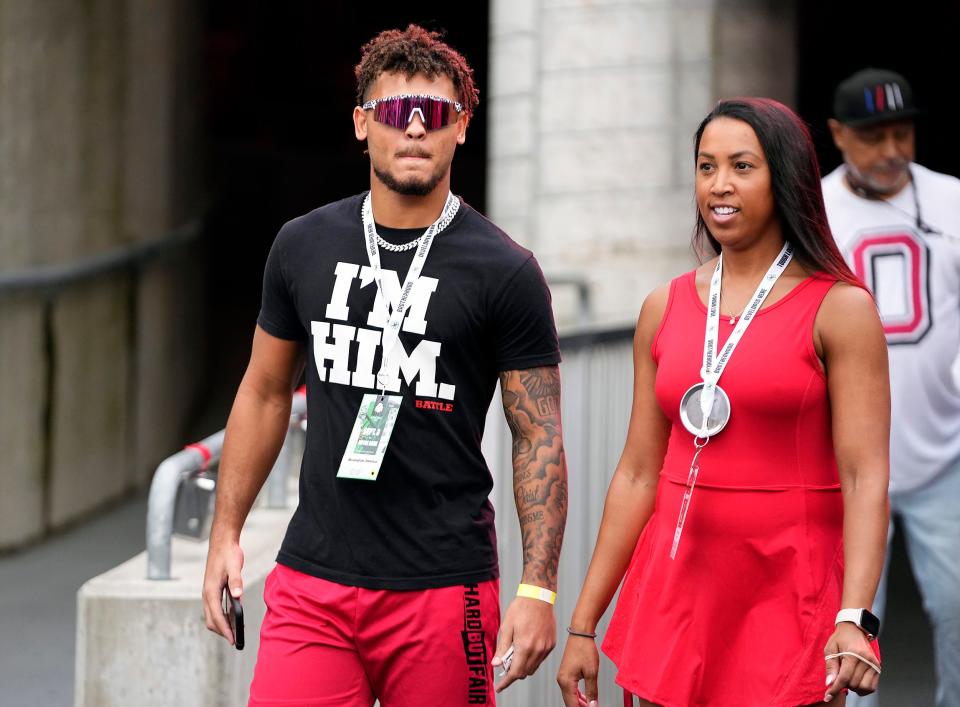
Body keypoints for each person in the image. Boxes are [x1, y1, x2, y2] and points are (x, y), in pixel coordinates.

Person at [201, 25, 568, 707]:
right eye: (398, 112)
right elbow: (264, 390)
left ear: (462, 127)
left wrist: (537, 586)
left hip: (442, 585)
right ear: (362, 124)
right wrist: (225, 535)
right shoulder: (302, 245)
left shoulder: (506, 272)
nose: (417, 129)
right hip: (315, 581)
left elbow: (538, 436)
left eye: (437, 113)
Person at [556, 98, 890, 707]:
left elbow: (864, 476)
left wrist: (856, 617)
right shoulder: (665, 305)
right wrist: (583, 622)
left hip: (787, 592)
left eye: (742, 166)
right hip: (675, 590)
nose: (719, 185)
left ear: (784, 178)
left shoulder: (840, 308)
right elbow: (636, 473)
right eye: (706, 167)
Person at [823, 68, 960, 707]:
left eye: (902, 132)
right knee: (847, 629)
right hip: (845, 464)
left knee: (958, 610)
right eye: (874, 136)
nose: (892, 150)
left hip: (944, 453)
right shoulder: (814, 211)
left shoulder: (952, 199)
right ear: (837, 135)